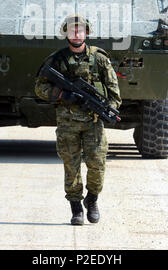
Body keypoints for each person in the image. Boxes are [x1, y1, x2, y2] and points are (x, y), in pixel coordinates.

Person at [35, 15, 121, 225]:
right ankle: (76, 209)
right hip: (68, 122)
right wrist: (64, 95)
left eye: (80, 30)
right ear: (66, 33)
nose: (76, 33)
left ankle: (92, 200)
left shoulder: (99, 58)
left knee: (97, 165)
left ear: (87, 33)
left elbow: (114, 93)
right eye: (72, 30)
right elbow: (40, 88)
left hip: (93, 122)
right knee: (71, 167)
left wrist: (108, 109)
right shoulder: (56, 60)